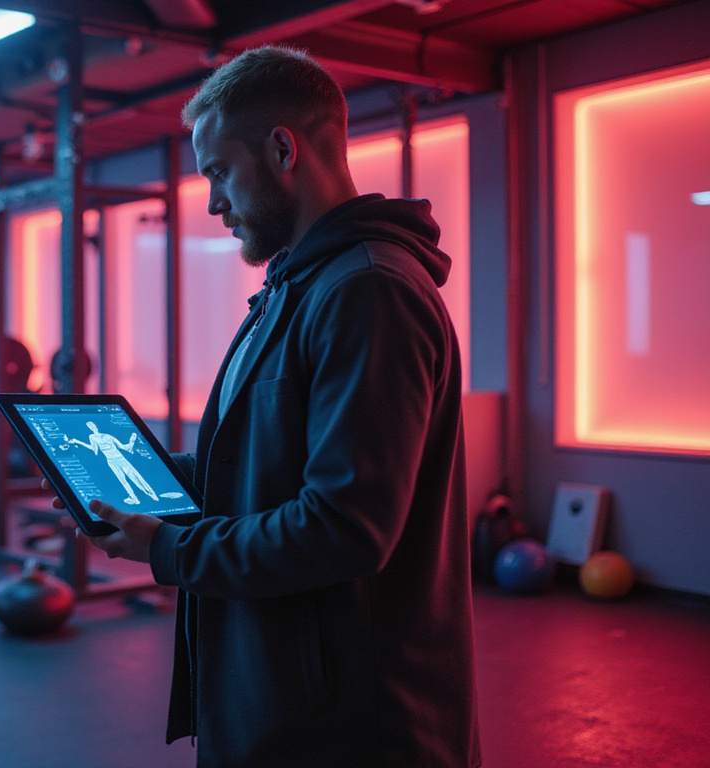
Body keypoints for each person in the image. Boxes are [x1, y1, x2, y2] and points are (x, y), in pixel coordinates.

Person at [83, 46, 481, 767]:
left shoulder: (369, 292)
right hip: (274, 708)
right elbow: (259, 465)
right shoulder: (293, 291)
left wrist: (166, 546)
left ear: (280, 149)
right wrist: (129, 476)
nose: (211, 203)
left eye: (218, 172)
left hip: (351, 732)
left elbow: (344, 528)